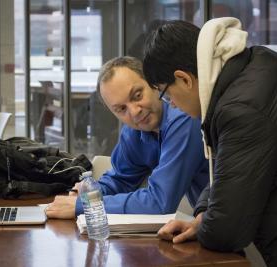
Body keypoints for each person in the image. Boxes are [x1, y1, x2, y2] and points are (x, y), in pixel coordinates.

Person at [142, 18, 277, 266]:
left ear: (184, 79)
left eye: (167, 94)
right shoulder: (247, 69)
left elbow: (227, 231)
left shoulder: (241, 108)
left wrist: (207, 225)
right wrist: (202, 215)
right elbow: (232, 170)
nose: (173, 104)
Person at [45, 56, 209, 219]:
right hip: (203, 224)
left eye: (137, 95)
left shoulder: (184, 118)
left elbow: (159, 203)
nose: (134, 111)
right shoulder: (135, 130)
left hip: (225, 227)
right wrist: (85, 194)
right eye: (121, 109)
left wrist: (85, 205)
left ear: (153, 85)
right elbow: (120, 180)